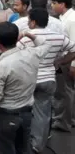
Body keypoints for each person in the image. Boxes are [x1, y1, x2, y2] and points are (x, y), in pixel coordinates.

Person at [0, 22, 49, 154]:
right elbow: (45, 44)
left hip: (6, 116)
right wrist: (27, 34)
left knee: (5, 149)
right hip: (27, 113)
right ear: (17, 39)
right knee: (23, 148)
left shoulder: (1, 66)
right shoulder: (32, 54)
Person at [21, 8, 75, 153]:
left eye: (28, 21)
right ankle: (38, 145)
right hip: (49, 80)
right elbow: (73, 50)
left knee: (24, 110)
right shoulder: (59, 37)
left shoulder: (25, 38)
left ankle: (24, 141)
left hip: (28, 79)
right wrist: (60, 62)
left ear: (33, 21)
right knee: (43, 113)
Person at [49, 0, 75, 132]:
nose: (52, 6)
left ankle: (63, 122)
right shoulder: (64, 17)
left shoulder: (71, 20)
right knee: (67, 91)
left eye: (54, 3)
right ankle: (69, 118)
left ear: (62, 4)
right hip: (66, 59)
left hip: (68, 60)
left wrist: (72, 65)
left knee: (64, 92)